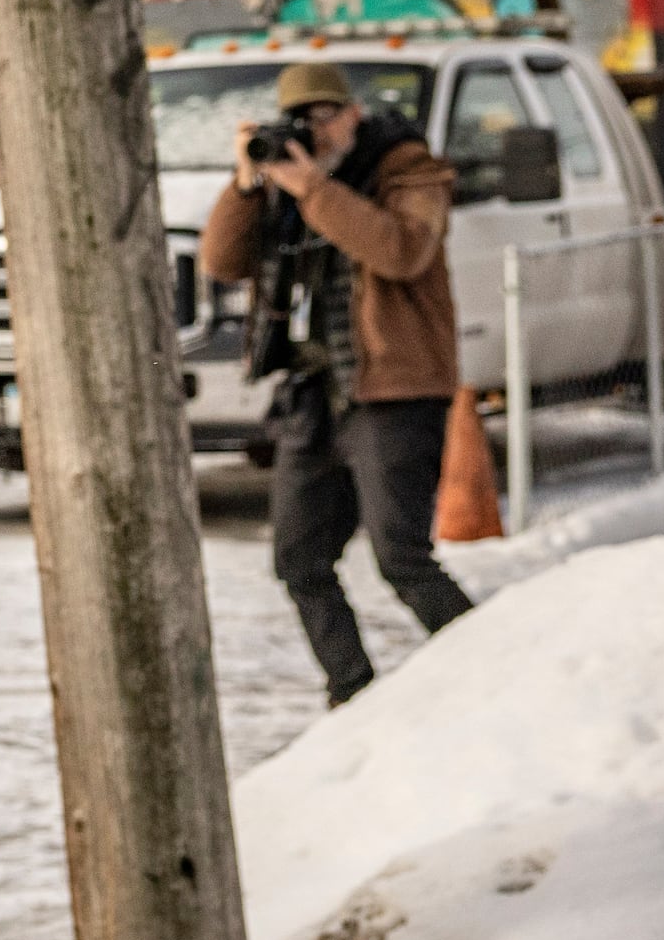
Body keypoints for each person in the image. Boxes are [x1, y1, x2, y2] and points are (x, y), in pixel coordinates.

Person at [202, 60, 474, 702]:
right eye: (303, 120)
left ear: (354, 113)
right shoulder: (286, 180)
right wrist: (247, 184)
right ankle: (352, 692)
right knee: (298, 561)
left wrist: (312, 188)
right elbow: (222, 261)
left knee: (401, 557)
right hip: (311, 395)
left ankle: (491, 670)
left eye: (327, 115)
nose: (316, 132)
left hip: (393, 391)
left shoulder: (407, 168)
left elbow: (402, 251)